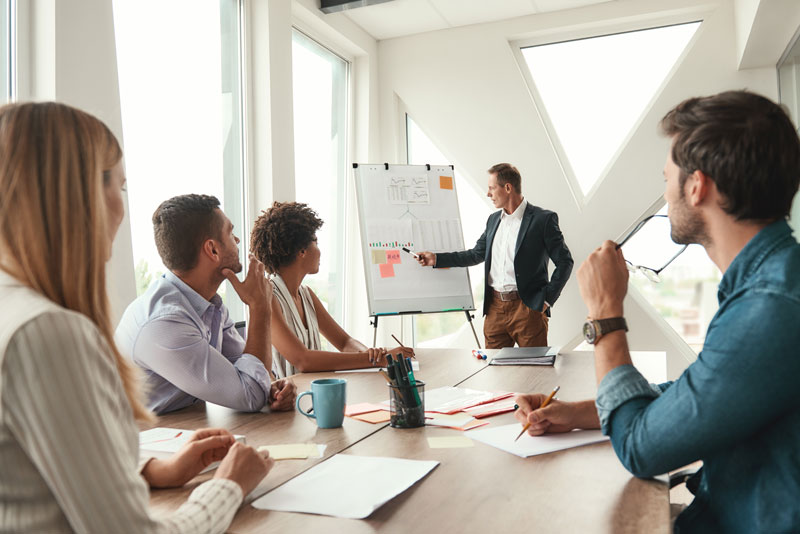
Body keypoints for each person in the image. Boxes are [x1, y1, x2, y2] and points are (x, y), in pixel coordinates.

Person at [514, 91, 800, 533]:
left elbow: (640, 448)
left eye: (667, 178)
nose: (665, 194)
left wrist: (605, 312)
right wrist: (581, 413)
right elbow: (703, 394)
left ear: (697, 186)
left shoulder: (770, 307)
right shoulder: (774, 282)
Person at [0, 102, 273, 533]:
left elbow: (34, 467)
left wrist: (149, 469)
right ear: (81, 196)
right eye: (121, 187)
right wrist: (229, 486)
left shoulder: (17, 312)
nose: (122, 209)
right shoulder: (47, 333)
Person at [116, 194, 296, 415]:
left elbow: (250, 374)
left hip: (180, 425)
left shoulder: (211, 306)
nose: (237, 240)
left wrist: (273, 388)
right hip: (142, 435)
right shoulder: (166, 322)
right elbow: (251, 395)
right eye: (230, 232)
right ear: (213, 250)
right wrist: (260, 306)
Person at [249, 202, 414, 377]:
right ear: (302, 251)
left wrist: (372, 354)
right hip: (289, 393)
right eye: (316, 242)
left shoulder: (306, 294)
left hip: (313, 390)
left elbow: (345, 342)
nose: (319, 251)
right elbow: (302, 360)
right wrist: (377, 360)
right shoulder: (268, 298)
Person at [417, 163, 573, 348]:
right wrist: (436, 259)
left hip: (528, 309)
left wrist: (546, 300)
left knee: (532, 365)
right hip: (495, 310)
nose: (488, 194)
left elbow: (565, 261)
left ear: (507, 188)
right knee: (493, 365)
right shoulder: (493, 220)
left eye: (491, 188)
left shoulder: (543, 219)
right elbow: (475, 254)